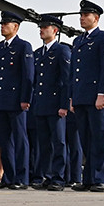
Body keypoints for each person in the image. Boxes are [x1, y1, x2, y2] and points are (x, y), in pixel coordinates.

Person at [70, 0, 104, 192]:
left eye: (86, 15)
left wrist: (102, 94)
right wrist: (72, 97)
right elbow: (74, 72)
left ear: (96, 18)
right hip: (81, 97)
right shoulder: (78, 41)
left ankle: (100, 178)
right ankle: (88, 178)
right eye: (81, 15)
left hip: (97, 97)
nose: (82, 18)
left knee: (99, 138)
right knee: (85, 139)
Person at [0, 11, 34, 190]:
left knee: (20, 140)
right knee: (4, 140)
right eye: (1, 24)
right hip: (1, 101)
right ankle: (9, 176)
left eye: (6, 24)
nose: (2, 26)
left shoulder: (24, 46)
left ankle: (22, 178)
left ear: (15, 27)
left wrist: (25, 99)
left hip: (17, 101)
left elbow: (28, 76)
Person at [31, 15, 70, 191]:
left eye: (45, 27)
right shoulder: (38, 53)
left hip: (55, 105)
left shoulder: (61, 51)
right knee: (44, 143)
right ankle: (47, 175)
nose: (41, 29)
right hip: (41, 104)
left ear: (55, 30)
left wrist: (64, 104)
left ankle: (59, 177)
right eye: (40, 27)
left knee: (59, 142)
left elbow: (66, 80)